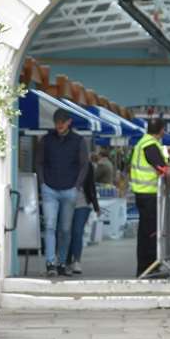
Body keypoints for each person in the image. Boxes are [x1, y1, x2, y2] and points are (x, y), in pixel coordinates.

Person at [37, 109, 90, 277]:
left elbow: (84, 165)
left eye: (62, 121)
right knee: (50, 226)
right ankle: (51, 263)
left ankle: (61, 262)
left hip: (69, 190)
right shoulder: (46, 140)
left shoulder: (78, 141)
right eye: (56, 121)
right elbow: (39, 163)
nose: (59, 124)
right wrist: (43, 184)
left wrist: (76, 187)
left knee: (65, 230)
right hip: (50, 190)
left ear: (69, 122)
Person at [129, 117, 170, 279]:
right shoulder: (150, 145)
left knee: (145, 232)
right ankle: (150, 267)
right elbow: (163, 168)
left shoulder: (142, 143)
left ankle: (145, 267)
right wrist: (168, 167)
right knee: (152, 232)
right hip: (150, 194)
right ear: (161, 130)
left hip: (142, 193)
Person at [63, 156, 100, 276]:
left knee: (77, 232)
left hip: (83, 203)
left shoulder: (87, 165)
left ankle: (76, 261)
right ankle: (66, 261)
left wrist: (96, 206)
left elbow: (91, 185)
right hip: (66, 202)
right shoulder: (64, 162)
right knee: (66, 232)